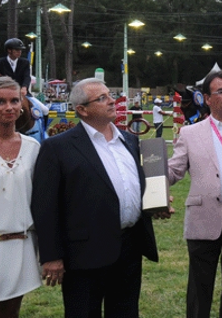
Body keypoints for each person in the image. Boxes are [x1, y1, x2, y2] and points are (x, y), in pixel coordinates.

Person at [30, 78, 160, 318]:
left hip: (129, 247)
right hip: (84, 253)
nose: (112, 101)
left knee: (125, 312)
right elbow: (45, 205)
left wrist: (154, 204)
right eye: (101, 98)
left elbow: (131, 186)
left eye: (109, 94)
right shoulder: (58, 148)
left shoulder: (129, 140)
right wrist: (51, 256)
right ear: (82, 110)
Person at [168, 70, 222, 318]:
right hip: (203, 218)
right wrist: (152, 176)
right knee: (200, 289)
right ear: (206, 99)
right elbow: (174, 171)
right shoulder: (190, 133)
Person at [0, 77, 41, 318]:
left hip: (18, 245)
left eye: (14, 100)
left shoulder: (33, 148)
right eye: (0, 101)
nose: (9, 107)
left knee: (9, 314)